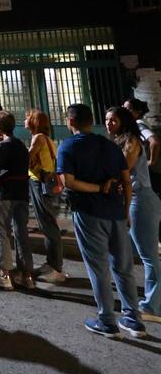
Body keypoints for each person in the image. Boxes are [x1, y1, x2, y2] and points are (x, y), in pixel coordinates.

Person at [58, 103, 145, 338]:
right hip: (116, 211)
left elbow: (68, 181)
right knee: (123, 267)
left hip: (88, 212)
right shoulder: (110, 146)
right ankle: (133, 318)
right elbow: (126, 181)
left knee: (98, 267)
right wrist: (125, 211)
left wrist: (95, 188)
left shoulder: (68, 146)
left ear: (70, 122)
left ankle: (107, 320)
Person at [106, 106, 160, 323]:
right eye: (107, 120)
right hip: (132, 199)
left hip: (140, 200)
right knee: (127, 251)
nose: (109, 124)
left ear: (124, 121)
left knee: (149, 256)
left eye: (113, 121)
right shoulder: (120, 141)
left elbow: (123, 172)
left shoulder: (131, 141)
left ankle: (153, 307)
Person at [0, 112, 35, 291]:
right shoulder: (21, 145)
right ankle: (27, 274)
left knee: (3, 231)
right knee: (21, 232)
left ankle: (5, 273)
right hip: (22, 192)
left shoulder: (4, 146)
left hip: (6, 193)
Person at [26, 109, 66, 284]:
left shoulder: (38, 138)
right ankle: (52, 263)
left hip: (40, 183)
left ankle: (56, 268)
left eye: (28, 118)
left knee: (48, 225)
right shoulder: (46, 138)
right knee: (48, 223)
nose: (25, 121)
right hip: (45, 182)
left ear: (34, 122)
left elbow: (27, 159)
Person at [125, 98, 161, 237]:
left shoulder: (138, 124)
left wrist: (151, 161)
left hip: (149, 173)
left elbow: (154, 142)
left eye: (129, 109)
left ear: (138, 112)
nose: (125, 111)